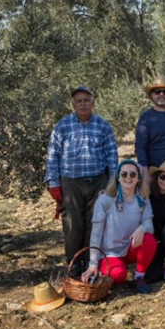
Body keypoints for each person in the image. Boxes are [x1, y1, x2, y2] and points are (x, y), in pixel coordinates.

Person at [44, 86, 118, 273]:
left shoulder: (102, 125)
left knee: (95, 223)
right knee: (72, 225)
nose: (83, 103)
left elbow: (112, 155)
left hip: (98, 182)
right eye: (79, 101)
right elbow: (53, 155)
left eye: (86, 100)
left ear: (93, 102)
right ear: (73, 104)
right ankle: (74, 264)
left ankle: (90, 263)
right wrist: (53, 183)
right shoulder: (62, 126)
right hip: (71, 183)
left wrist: (112, 183)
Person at [81, 159, 155, 294]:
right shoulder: (105, 200)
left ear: (138, 178)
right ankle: (108, 268)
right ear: (118, 177)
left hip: (130, 248)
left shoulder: (143, 199)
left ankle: (139, 276)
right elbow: (96, 234)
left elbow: (149, 224)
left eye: (132, 174)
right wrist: (93, 263)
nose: (128, 177)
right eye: (124, 174)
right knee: (118, 276)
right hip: (110, 253)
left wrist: (142, 228)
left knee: (149, 239)